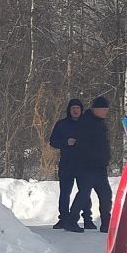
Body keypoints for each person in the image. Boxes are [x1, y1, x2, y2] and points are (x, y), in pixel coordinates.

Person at [65, 96, 113, 233]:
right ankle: (71, 221)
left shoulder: (100, 123)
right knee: (84, 194)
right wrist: (93, 158)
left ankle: (106, 223)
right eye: (104, 109)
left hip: (100, 167)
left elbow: (103, 144)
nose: (106, 112)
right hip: (86, 166)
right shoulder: (86, 122)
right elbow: (83, 145)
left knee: (105, 195)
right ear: (96, 109)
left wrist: (105, 158)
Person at [49, 98, 94, 229]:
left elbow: (94, 142)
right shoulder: (61, 124)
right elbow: (52, 141)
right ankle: (63, 219)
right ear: (69, 110)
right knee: (65, 193)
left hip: (83, 164)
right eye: (73, 108)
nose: (75, 111)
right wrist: (65, 142)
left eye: (78, 108)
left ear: (81, 110)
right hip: (67, 163)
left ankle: (88, 219)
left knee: (84, 192)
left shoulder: (87, 124)